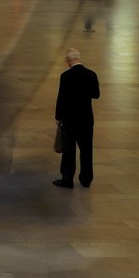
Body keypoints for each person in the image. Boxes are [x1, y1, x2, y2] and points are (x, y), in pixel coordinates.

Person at [53, 48, 99, 189]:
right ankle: (86, 179)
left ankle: (67, 179)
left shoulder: (65, 76)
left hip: (70, 119)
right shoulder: (91, 74)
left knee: (69, 150)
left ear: (68, 60)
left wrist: (58, 117)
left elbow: (61, 98)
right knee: (86, 150)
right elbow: (96, 94)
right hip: (86, 119)